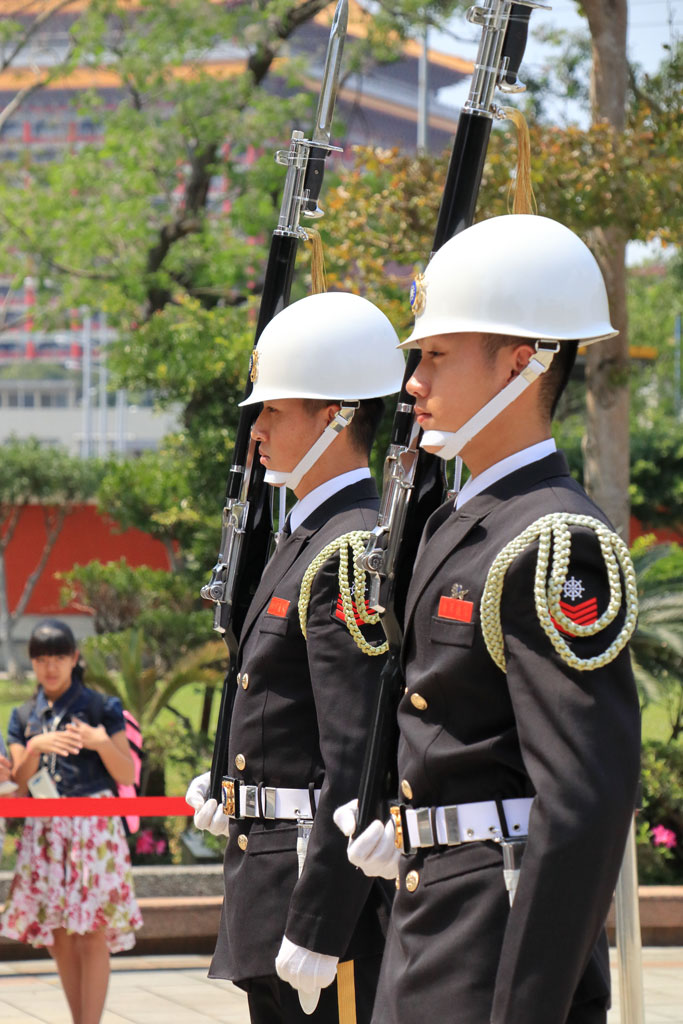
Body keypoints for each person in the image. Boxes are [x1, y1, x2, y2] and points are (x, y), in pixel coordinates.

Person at [335, 215, 641, 1024]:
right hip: (432, 917)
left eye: (436, 355)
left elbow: (581, 803)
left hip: (495, 940)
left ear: (520, 363)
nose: (412, 382)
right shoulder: (459, 521)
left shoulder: (554, 540)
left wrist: (525, 1006)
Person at [186, 290, 405, 1023]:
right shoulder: (305, 538)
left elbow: (356, 758)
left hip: (317, 890)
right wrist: (233, 779)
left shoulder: (348, 547)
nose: (256, 431)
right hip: (271, 877)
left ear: (335, 417)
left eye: (273, 411)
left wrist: (319, 923)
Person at [0, 619, 143, 1024]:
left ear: (74, 658)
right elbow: (18, 786)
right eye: (42, 659)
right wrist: (35, 747)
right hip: (46, 830)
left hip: (94, 828)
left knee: (92, 930)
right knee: (59, 932)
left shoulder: (101, 707)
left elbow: (126, 774)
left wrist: (100, 741)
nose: (50, 667)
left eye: (59, 657)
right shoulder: (23, 715)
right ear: (32, 662)